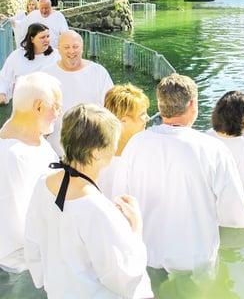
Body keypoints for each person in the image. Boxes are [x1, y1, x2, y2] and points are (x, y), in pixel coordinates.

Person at [122, 74, 244, 275]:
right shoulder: (212, 149)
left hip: (146, 255)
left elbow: (122, 199)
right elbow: (232, 211)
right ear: (193, 104)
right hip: (193, 259)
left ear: (160, 104)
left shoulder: (136, 144)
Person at [24, 104, 154, 299]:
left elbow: (32, 243)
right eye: (113, 142)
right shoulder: (98, 210)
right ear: (96, 152)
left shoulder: (44, 182)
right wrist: (135, 229)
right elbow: (124, 278)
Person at [0, 72, 61, 273]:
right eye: (56, 106)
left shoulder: (33, 138)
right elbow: (16, 224)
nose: (58, 113)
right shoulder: (13, 155)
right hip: (22, 268)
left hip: (41, 257)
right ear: (39, 107)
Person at [43, 30, 114, 156]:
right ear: (58, 49)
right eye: (66, 47)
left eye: (75, 47)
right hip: (55, 152)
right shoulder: (46, 75)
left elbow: (111, 108)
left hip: (91, 150)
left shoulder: (98, 72)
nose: (71, 51)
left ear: (82, 48)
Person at [99, 84, 150, 200]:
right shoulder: (140, 158)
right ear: (123, 121)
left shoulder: (95, 155)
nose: (147, 118)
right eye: (142, 114)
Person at [0, 23, 60, 105]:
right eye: (42, 37)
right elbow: (4, 77)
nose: (46, 40)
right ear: (32, 39)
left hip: (48, 103)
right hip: (22, 103)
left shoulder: (57, 55)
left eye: (48, 36)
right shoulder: (17, 55)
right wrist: (2, 92)